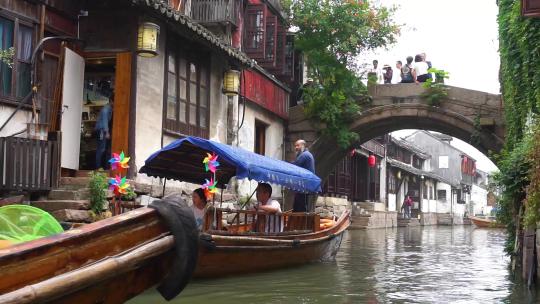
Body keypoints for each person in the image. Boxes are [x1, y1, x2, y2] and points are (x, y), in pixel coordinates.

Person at [292, 139, 315, 212]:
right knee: (301, 206)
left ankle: (299, 222)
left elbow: (295, 165)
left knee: (299, 207)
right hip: (304, 186)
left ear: (303, 146)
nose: (296, 147)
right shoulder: (307, 154)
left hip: (303, 186)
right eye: (295, 146)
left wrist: (283, 164)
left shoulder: (304, 155)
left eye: (297, 145)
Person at [95, 94, 113, 169]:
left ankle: (100, 167)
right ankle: (97, 167)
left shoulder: (109, 108)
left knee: (102, 149)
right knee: (101, 149)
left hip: (101, 130)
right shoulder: (106, 109)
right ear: (111, 101)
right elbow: (105, 121)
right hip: (101, 130)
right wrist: (107, 132)